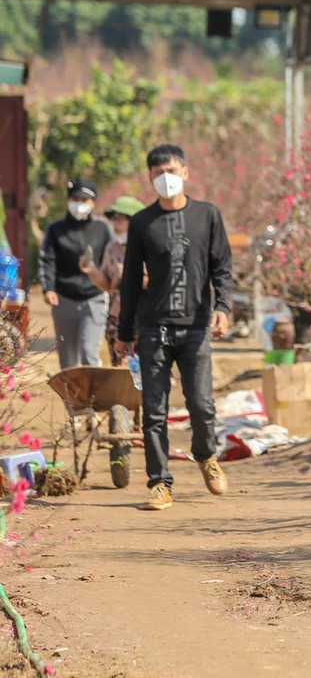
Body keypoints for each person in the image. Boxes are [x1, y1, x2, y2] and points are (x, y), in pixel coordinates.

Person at [115, 146, 233, 511]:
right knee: (153, 409)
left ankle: (206, 456)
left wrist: (223, 307)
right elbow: (131, 280)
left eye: (170, 169)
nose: (165, 177)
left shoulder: (207, 215)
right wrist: (124, 333)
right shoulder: (141, 223)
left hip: (195, 326)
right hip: (153, 328)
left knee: (201, 404)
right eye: (157, 173)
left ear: (185, 172)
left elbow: (222, 268)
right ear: (150, 179)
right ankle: (160, 483)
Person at [39, 178, 113, 369]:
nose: (79, 204)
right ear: (68, 200)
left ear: (93, 203)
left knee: (89, 352)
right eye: (75, 199)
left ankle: (93, 398)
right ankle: (72, 400)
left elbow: (113, 259)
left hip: (94, 298)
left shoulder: (103, 228)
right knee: (69, 360)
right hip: (64, 299)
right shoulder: (56, 229)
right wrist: (49, 289)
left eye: (84, 200)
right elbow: (47, 261)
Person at [80, 195, 144, 366]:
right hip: (117, 316)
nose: (115, 223)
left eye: (121, 219)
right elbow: (108, 285)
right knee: (121, 365)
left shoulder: (148, 246)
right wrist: (93, 272)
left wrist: (132, 280)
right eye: (113, 219)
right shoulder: (112, 248)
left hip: (144, 316)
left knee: (147, 368)